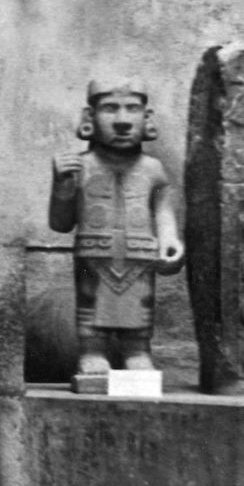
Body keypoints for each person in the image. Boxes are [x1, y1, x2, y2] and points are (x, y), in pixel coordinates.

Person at [49, 74, 183, 388]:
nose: (122, 121)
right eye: (110, 109)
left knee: (140, 305)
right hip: (94, 256)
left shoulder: (153, 170)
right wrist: (62, 186)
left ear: (147, 118)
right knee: (90, 304)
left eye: (132, 109)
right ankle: (92, 352)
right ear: (89, 118)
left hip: (139, 256)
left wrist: (170, 240)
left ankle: (137, 352)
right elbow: (60, 223)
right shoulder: (80, 167)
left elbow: (164, 213)